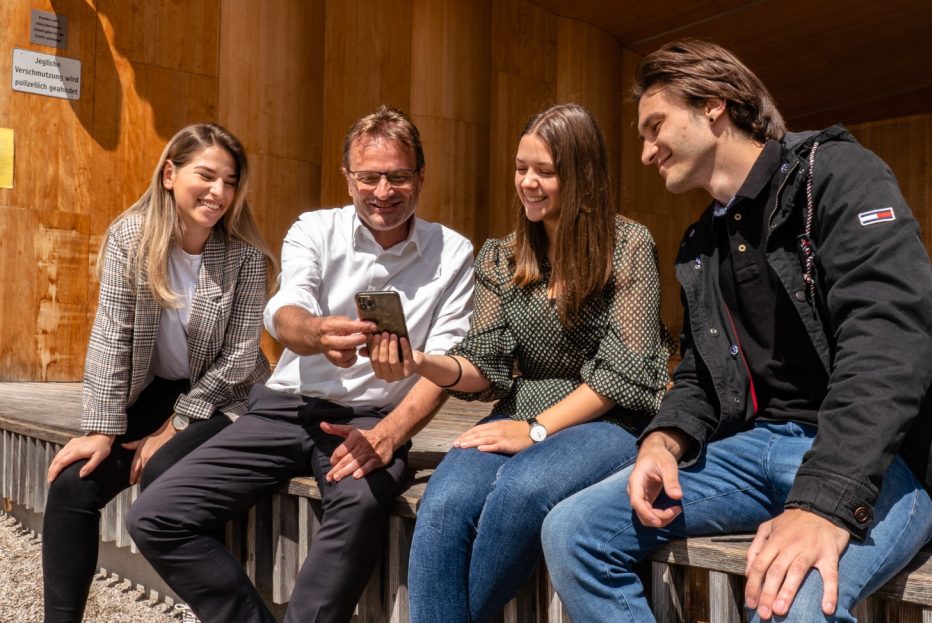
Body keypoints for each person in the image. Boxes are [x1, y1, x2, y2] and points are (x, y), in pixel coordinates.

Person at [540, 38, 932, 622]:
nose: (646, 152)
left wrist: (823, 504)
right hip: (754, 451)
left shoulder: (839, 175)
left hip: (881, 458)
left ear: (713, 106)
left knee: (784, 603)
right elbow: (698, 373)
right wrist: (663, 441)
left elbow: (890, 341)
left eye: (654, 126)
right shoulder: (700, 244)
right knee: (573, 532)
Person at [126, 105, 475, 623]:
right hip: (281, 408)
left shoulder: (453, 252)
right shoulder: (315, 228)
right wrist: (314, 333)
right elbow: (284, 311)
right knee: (154, 516)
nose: (383, 191)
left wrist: (392, 434)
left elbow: (450, 361)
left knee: (359, 504)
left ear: (421, 177)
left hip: (369, 419)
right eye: (369, 177)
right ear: (347, 178)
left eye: (399, 176)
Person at [366, 103, 674, 622]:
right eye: (520, 168)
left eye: (545, 172)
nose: (527, 183)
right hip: (521, 409)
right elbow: (481, 364)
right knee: (443, 506)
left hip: (609, 417)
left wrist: (534, 432)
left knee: (521, 490)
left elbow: (625, 373)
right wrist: (420, 361)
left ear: (582, 175)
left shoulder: (629, 245)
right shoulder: (501, 256)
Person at [42, 123, 275, 623]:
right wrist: (103, 429)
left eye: (230, 182)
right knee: (71, 487)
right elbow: (111, 334)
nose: (218, 192)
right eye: (206, 175)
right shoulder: (131, 237)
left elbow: (238, 358)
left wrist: (174, 427)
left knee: (168, 474)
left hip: (226, 392)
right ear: (170, 173)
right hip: (156, 389)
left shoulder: (245, 256)